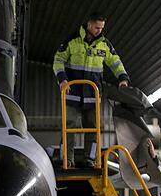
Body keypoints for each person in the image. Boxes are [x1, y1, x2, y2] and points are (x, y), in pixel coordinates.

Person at [53, 13, 130, 167]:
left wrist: (123, 78)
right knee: (70, 127)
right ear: (89, 24)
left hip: (93, 95)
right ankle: (67, 160)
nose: (99, 30)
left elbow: (115, 62)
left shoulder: (104, 44)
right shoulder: (72, 41)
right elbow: (58, 60)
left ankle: (91, 159)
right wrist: (62, 80)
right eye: (96, 27)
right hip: (72, 93)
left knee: (93, 129)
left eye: (101, 28)